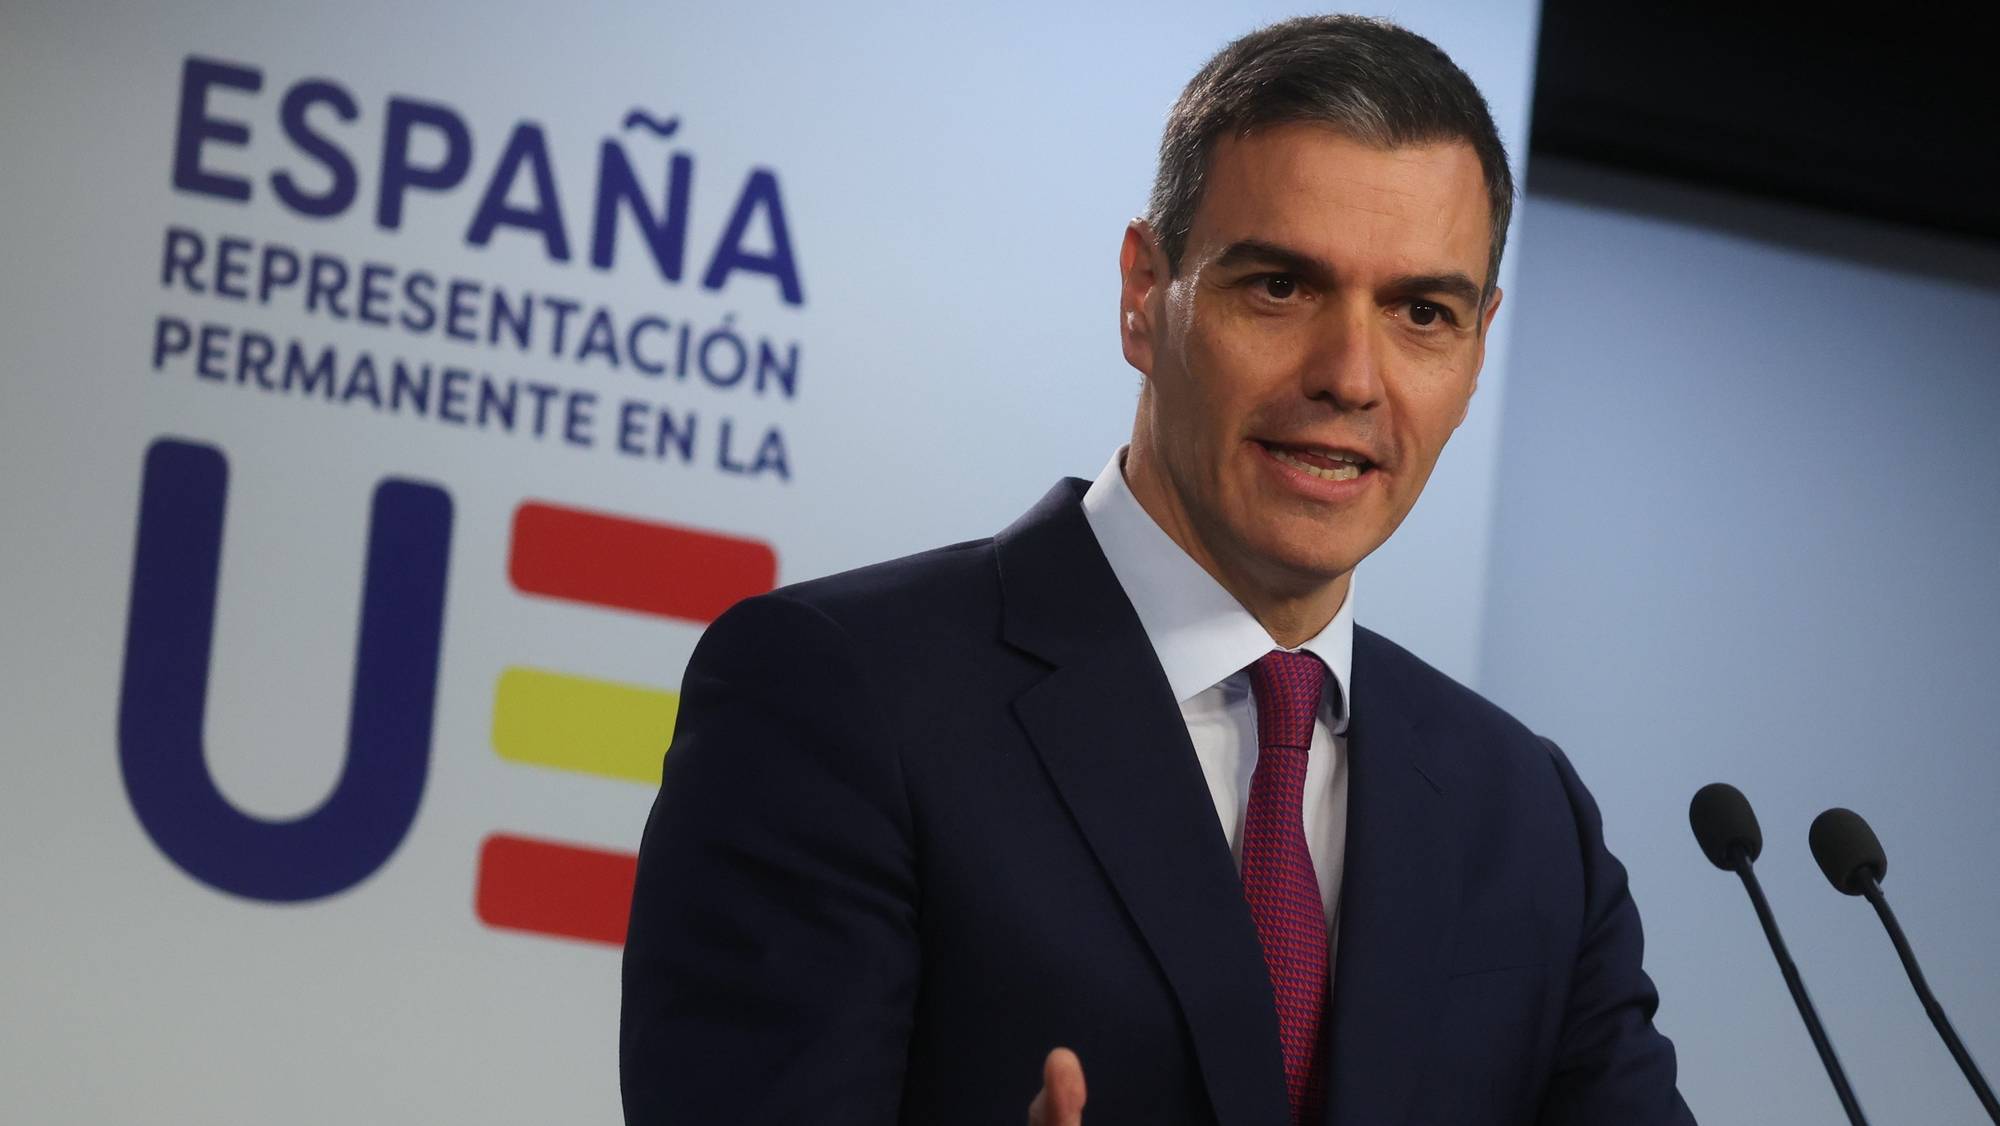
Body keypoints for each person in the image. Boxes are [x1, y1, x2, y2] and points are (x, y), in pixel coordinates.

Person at [621, 15, 1695, 1125]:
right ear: (1144, 293)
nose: (1349, 377)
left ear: (1476, 348)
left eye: (1420, 312)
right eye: (1278, 287)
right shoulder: (840, 696)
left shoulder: (1523, 817)